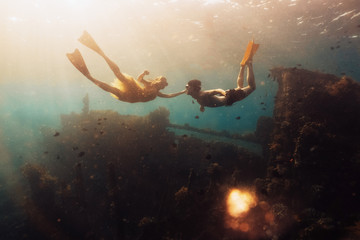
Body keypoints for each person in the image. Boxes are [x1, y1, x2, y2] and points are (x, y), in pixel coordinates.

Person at [67, 31, 185, 103]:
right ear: (156, 81)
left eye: (162, 84)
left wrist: (183, 92)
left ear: (162, 87)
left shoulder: (157, 92)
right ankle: (100, 53)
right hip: (134, 89)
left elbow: (170, 95)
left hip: (130, 97)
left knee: (111, 89)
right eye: (160, 82)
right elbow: (139, 80)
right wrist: (143, 74)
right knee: (119, 74)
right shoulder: (150, 84)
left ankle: (89, 76)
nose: (160, 84)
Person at [186, 40, 259, 112]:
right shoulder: (198, 96)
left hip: (230, 97)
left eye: (187, 87)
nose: (186, 88)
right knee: (239, 87)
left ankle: (249, 64)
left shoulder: (203, 95)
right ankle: (242, 67)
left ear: (193, 88)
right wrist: (202, 106)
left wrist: (225, 94)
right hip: (228, 97)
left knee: (252, 87)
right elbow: (204, 100)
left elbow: (217, 90)